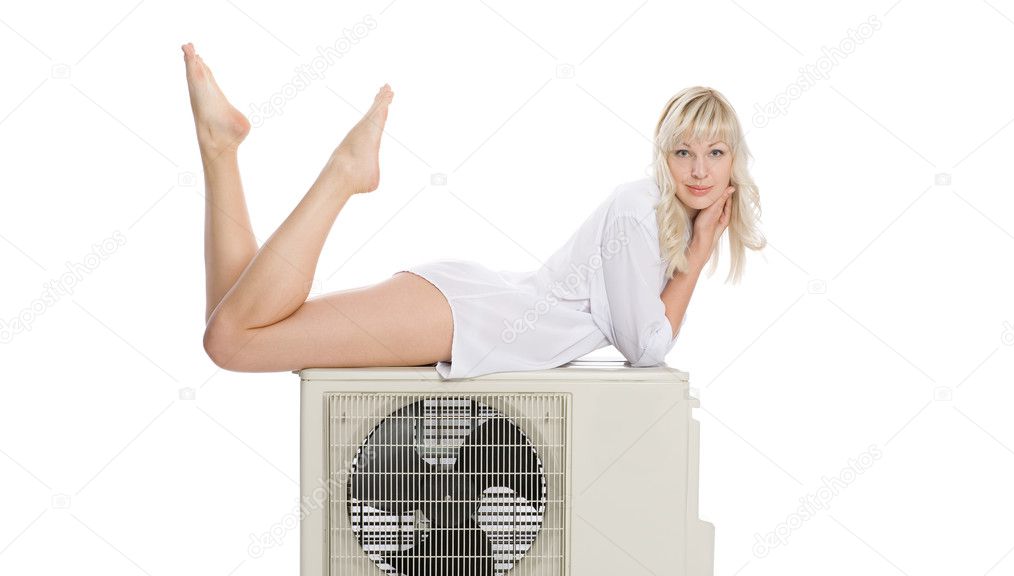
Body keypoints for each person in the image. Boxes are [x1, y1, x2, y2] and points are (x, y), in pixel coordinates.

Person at [183, 43, 764, 378]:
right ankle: (344, 174)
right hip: (471, 318)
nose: (699, 170)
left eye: (715, 153)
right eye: (683, 151)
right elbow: (647, 350)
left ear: (733, 159)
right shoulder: (639, 209)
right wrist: (696, 256)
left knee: (230, 319)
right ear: (663, 157)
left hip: (477, 306)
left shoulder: (653, 216)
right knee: (234, 341)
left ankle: (219, 150)